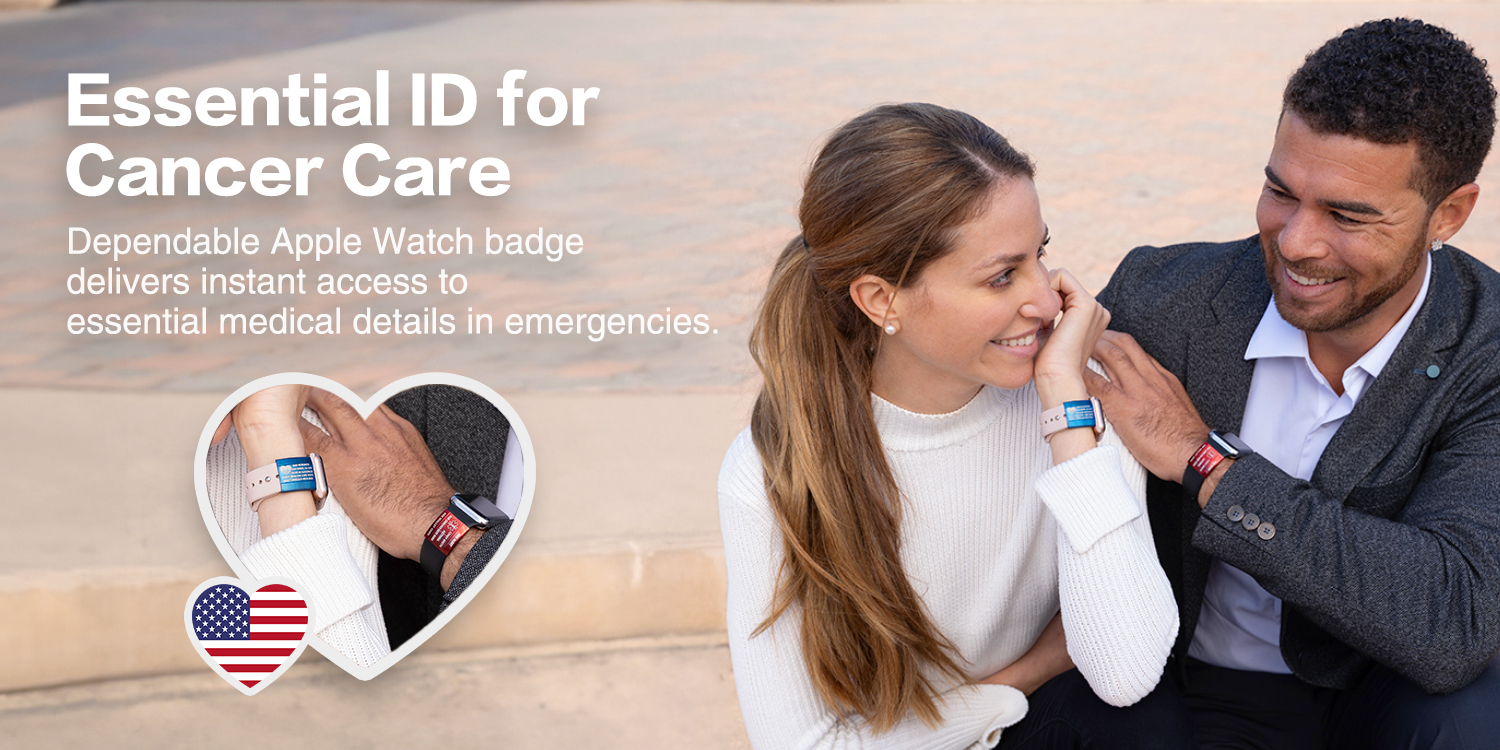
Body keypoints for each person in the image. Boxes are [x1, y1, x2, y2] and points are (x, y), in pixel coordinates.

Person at [718, 103, 1188, 749]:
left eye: (1039, 256)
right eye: (1001, 276)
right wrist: (1026, 674)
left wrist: (1065, 406)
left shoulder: (1076, 406)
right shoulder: (770, 470)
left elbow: (1125, 675)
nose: (1048, 301)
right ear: (882, 299)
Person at [1086, 18, 1500, 747]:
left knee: (1464, 716)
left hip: (1374, 696)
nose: (1296, 242)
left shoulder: (1487, 347)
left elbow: (1453, 617)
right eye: (1281, 192)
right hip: (1174, 689)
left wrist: (1203, 459)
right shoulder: (1158, 299)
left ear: (1450, 214)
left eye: (1348, 215)